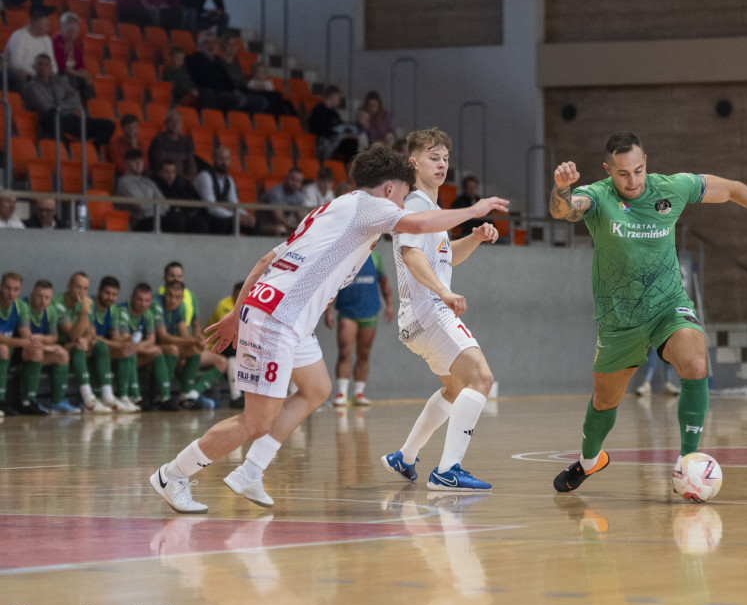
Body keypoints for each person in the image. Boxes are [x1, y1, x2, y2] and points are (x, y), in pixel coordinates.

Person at [148, 144, 508, 513]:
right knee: (255, 422)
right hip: (277, 319)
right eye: (403, 192)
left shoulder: (332, 208)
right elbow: (418, 225)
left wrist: (237, 313)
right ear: (389, 190)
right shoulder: (373, 207)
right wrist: (476, 210)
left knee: (317, 388)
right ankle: (172, 475)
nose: (405, 201)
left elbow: (265, 260)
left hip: (283, 317)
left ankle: (250, 472)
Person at [547, 131, 747, 492]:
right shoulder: (598, 195)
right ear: (608, 170)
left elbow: (732, 188)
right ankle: (590, 461)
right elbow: (565, 211)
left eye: (638, 170)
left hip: (668, 306)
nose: (632, 180)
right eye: (622, 174)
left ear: (646, 162)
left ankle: (688, 461)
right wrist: (562, 189)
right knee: (605, 401)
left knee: (696, 362)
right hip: (619, 319)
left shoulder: (673, 187)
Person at [379, 128, 499, 492]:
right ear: (413, 162)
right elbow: (411, 256)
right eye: (434, 157)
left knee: (454, 387)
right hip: (429, 310)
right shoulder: (416, 205)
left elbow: (445, 258)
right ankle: (448, 470)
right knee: (481, 378)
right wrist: (444, 292)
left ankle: (405, 456)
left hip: (417, 317)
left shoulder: (431, 209)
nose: (442, 164)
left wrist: (474, 239)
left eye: (446, 158)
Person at [326, 245, 393, 407]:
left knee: (364, 354)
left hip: (369, 311)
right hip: (347, 311)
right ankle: (341, 393)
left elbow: (384, 283)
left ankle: (358, 393)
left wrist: (389, 305)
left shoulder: (375, 257)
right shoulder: (343, 256)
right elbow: (331, 286)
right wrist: (327, 311)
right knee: (345, 351)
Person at [157, 279, 227, 410]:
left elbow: (185, 334)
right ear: (165, 293)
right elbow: (163, 337)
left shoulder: (182, 307)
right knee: (174, 350)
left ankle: (190, 395)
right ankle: (163, 396)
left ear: (182, 297)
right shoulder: (157, 304)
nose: (173, 300)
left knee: (219, 360)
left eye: (177, 297)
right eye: (170, 296)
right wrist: (194, 340)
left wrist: (198, 342)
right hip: (161, 348)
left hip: (177, 348)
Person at [22, 54, 115, 147]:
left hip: (71, 118)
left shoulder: (59, 80)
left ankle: (95, 148)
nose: (43, 67)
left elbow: (76, 100)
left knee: (108, 125)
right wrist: (65, 100)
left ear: (51, 67)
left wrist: (59, 104)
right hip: (50, 121)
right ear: (34, 67)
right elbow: (46, 107)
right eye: (39, 64)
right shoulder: (31, 86)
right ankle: (65, 147)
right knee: (52, 115)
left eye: (46, 65)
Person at [53, 272, 113, 413]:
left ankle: (107, 395)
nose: (82, 292)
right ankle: (88, 399)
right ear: (69, 286)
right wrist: (84, 312)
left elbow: (91, 331)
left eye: (85, 288)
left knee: (100, 345)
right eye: (78, 287)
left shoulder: (84, 302)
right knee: (78, 347)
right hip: (59, 345)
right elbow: (72, 335)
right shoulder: (58, 303)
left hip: (75, 344)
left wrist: (86, 339)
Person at [120, 283, 179, 411]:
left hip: (135, 354)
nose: (143, 304)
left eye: (147, 300)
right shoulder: (123, 311)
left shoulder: (148, 314)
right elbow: (125, 344)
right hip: (119, 356)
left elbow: (151, 340)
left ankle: (164, 397)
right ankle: (135, 397)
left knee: (157, 352)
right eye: (139, 299)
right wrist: (145, 348)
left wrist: (143, 347)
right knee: (130, 352)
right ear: (131, 298)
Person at [27, 279, 79, 413]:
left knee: (62, 354)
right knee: (38, 352)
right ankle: (27, 401)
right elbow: (26, 339)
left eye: (47, 297)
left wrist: (43, 340)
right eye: (39, 296)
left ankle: (57, 401)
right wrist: (46, 346)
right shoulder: (23, 307)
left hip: (37, 351)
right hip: (22, 353)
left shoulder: (51, 311)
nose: (43, 301)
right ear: (32, 294)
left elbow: (54, 337)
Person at [90, 276, 141, 412]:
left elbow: (116, 338)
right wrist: (118, 344)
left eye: (114, 295)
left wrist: (126, 341)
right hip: (88, 349)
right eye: (107, 293)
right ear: (99, 291)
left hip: (104, 350)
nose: (110, 297)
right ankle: (105, 395)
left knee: (128, 350)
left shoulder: (113, 310)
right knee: (101, 347)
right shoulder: (90, 305)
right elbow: (92, 337)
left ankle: (125, 396)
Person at [0, 272, 48, 415]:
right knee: (3, 348)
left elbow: (26, 336)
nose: (11, 293)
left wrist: (32, 343)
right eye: (8, 288)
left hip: (11, 350)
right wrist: (19, 342)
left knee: (35, 350)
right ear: (1, 287)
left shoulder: (21, 306)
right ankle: (1, 400)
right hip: (4, 349)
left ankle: (27, 401)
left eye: (15, 289)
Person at [186, 29, 267, 113]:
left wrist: (235, 90)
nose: (211, 46)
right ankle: (231, 122)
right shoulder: (193, 59)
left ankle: (249, 122)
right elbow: (196, 78)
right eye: (207, 43)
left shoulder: (218, 61)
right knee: (236, 100)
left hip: (226, 92)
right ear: (200, 44)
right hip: (211, 92)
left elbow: (227, 79)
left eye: (214, 42)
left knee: (261, 101)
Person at [194, 146, 255, 234]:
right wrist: (237, 217)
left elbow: (233, 203)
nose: (224, 162)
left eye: (227, 159)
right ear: (214, 158)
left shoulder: (229, 180)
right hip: (204, 217)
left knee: (252, 223)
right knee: (226, 223)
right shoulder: (205, 176)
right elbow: (211, 208)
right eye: (221, 158)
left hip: (220, 216)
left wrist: (246, 215)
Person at [205, 281, 245, 408]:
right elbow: (230, 331)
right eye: (237, 296)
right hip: (215, 344)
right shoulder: (224, 305)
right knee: (235, 355)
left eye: (243, 296)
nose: (240, 299)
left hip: (236, 344)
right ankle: (236, 396)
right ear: (232, 295)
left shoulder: (251, 307)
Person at [4, 5, 55, 90]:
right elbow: (16, 64)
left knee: (61, 80)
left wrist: (51, 73)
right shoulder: (19, 36)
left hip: (40, 74)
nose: (48, 28)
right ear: (33, 23)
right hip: (20, 74)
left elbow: (52, 63)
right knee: (20, 76)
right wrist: (39, 74)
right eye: (45, 25)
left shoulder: (47, 39)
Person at [115, 149, 168, 230]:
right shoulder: (124, 182)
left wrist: (157, 211)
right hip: (136, 223)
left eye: (140, 160)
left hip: (154, 219)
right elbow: (142, 207)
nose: (139, 163)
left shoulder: (149, 182)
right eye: (134, 161)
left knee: (179, 220)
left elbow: (165, 205)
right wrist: (157, 209)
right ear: (126, 163)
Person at [309, 86, 364, 162]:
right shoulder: (318, 111)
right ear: (332, 97)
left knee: (358, 138)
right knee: (350, 144)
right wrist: (339, 133)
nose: (339, 101)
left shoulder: (334, 113)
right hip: (325, 142)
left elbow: (340, 126)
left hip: (337, 140)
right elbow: (320, 130)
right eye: (338, 98)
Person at [153, 160, 206, 233]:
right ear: (160, 172)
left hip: (184, 215)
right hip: (165, 217)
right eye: (166, 172)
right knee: (178, 222)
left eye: (172, 172)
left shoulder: (182, 184)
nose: (170, 175)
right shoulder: (155, 186)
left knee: (201, 223)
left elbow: (193, 201)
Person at [51, 12, 93, 102]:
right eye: (69, 30)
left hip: (72, 73)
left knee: (88, 82)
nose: (72, 34)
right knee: (72, 79)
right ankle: (70, 106)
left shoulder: (78, 44)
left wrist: (85, 74)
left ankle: (88, 108)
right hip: (58, 73)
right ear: (62, 28)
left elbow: (80, 65)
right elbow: (61, 66)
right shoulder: (55, 42)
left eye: (74, 31)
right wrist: (80, 74)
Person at [149, 110, 197, 181]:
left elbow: (191, 165)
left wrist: (190, 178)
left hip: (182, 179)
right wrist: (182, 178)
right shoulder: (158, 140)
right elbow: (162, 167)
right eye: (172, 121)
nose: (175, 124)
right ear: (165, 123)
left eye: (178, 121)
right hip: (163, 178)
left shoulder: (186, 141)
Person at [259, 167, 305, 236]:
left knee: (303, 231)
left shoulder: (298, 195)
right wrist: (293, 228)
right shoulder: (276, 192)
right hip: (264, 225)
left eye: (298, 181)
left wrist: (303, 227)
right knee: (281, 229)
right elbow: (278, 219)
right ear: (286, 178)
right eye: (293, 179)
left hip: (283, 225)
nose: (295, 184)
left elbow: (301, 217)